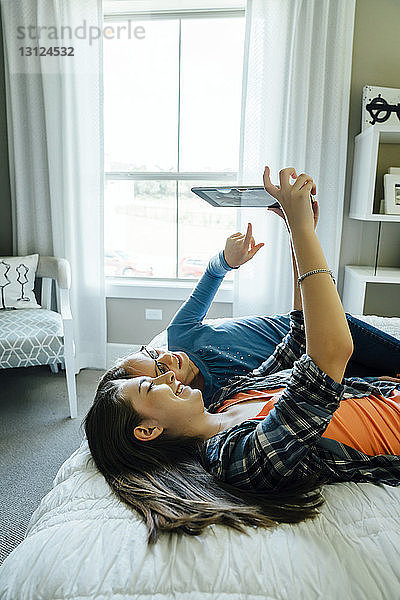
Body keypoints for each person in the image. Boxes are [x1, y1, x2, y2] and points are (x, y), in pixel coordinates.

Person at [84, 166, 400, 545]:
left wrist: (299, 234)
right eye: (153, 387)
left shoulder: (231, 397)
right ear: (148, 430)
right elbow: (331, 355)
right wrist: (301, 229)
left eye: (156, 369)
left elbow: (299, 338)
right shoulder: (235, 458)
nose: (168, 374)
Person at [119, 206, 400, 409]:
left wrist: (227, 259)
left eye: (155, 353)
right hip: (316, 369)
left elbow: (212, 274)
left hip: (316, 324)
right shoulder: (222, 397)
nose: (167, 359)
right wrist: (372, 384)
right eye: (158, 370)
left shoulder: (180, 333)